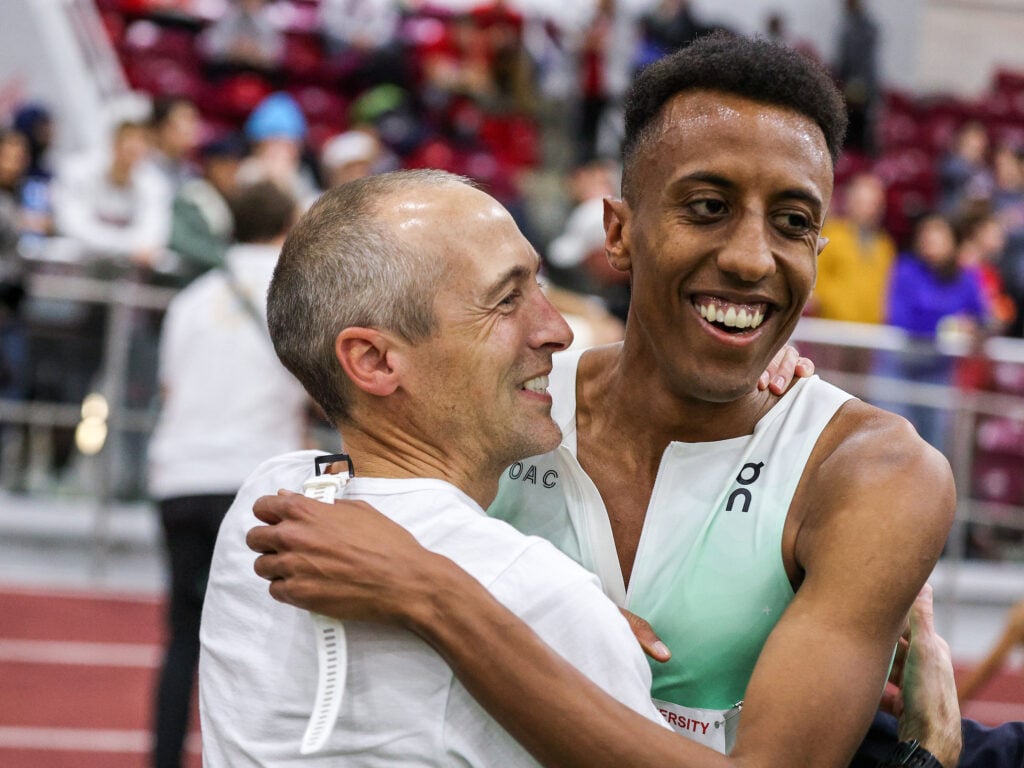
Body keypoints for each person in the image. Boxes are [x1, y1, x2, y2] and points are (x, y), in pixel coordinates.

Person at [247, 34, 962, 768]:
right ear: (618, 232)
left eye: (793, 223)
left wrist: (439, 596)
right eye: (709, 207)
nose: (753, 258)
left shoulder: (872, 471)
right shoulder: (503, 398)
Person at [199, 170, 672, 766]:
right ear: (372, 360)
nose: (556, 329)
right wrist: (581, 636)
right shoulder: (538, 598)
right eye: (506, 300)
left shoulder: (264, 503)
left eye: (539, 285)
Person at [148, 180, 308, 768]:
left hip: (179, 475)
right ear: (288, 227)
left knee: (181, 638)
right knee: (264, 644)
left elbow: (168, 388)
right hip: (254, 479)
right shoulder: (294, 293)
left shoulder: (191, 297)